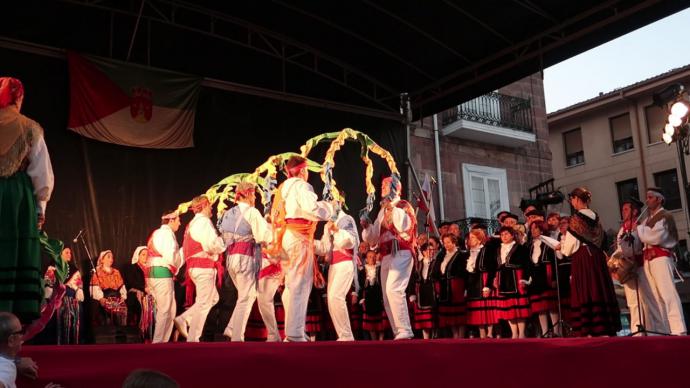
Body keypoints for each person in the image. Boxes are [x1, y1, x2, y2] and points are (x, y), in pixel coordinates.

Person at [0, 77, 54, 323]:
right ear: (18, 98)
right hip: (16, 199)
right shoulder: (29, 127)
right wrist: (39, 209)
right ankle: (11, 318)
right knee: (14, 248)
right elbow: (41, 174)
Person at [267, 155, 334, 342]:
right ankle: (295, 333)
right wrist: (329, 207)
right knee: (299, 284)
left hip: (287, 236)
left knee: (291, 284)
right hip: (299, 237)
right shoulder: (301, 185)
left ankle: (294, 329)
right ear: (303, 170)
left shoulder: (283, 188)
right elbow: (311, 208)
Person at [559, 187, 620, 337]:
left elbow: (569, 248)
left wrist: (562, 246)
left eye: (572, 199)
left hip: (583, 258)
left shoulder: (575, 219)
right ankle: (604, 326)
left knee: (586, 290)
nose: (572, 203)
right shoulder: (596, 217)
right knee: (599, 288)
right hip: (597, 257)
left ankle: (590, 328)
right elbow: (602, 239)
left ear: (578, 199)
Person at [362, 177, 416, 340]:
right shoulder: (381, 211)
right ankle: (398, 331)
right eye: (382, 185)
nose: (382, 188)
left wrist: (391, 207)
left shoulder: (403, 205)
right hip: (385, 255)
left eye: (386, 185)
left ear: (395, 188)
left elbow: (403, 226)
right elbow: (372, 240)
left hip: (401, 251)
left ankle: (405, 330)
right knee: (386, 295)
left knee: (394, 289)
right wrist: (367, 227)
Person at [219, 182, 272, 341]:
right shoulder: (252, 212)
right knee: (246, 297)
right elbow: (263, 237)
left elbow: (223, 237)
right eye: (254, 194)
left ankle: (231, 328)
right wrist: (270, 227)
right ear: (248, 194)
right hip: (245, 257)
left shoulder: (228, 214)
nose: (255, 197)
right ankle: (237, 337)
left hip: (231, 258)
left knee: (246, 295)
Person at [174, 195, 226, 342]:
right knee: (204, 302)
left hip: (196, 267)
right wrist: (223, 242)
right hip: (203, 266)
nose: (212, 208)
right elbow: (211, 245)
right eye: (210, 205)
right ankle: (192, 337)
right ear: (203, 206)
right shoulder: (203, 222)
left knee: (213, 298)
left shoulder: (192, 224)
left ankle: (185, 318)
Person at [636, 187, 687, 335]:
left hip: (661, 258)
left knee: (667, 293)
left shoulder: (666, 216)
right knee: (654, 297)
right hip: (648, 261)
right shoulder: (645, 220)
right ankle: (660, 331)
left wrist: (638, 229)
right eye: (647, 197)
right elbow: (642, 239)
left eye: (651, 197)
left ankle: (678, 329)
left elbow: (655, 237)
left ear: (659, 199)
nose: (648, 200)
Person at [612, 199, 665, 335]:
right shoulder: (623, 229)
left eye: (626, 209)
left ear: (635, 211)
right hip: (628, 268)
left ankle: (654, 331)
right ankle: (637, 331)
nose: (623, 212)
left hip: (641, 267)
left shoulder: (641, 225)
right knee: (633, 302)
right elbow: (620, 247)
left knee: (648, 299)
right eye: (622, 210)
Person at [315, 203, 359, 341]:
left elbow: (350, 241)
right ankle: (343, 335)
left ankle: (347, 335)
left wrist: (337, 230)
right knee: (332, 300)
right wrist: (308, 242)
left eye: (332, 203)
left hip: (345, 262)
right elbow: (324, 248)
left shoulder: (346, 219)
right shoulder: (328, 224)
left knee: (336, 297)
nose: (329, 206)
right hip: (334, 265)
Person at [147, 210, 183, 343]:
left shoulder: (157, 232)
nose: (180, 222)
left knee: (170, 309)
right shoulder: (167, 234)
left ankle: (163, 342)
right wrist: (182, 256)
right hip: (161, 274)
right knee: (165, 310)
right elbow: (171, 256)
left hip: (155, 275)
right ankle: (157, 343)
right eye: (178, 219)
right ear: (171, 220)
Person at [489, 226, 530, 338]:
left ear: (512, 235)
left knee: (518, 307)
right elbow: (494, 266)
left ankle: (521, 333)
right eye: (502, 235)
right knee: (508, 308)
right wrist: (494, 278)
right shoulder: (497, 250)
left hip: (516, 277)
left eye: (507, 234)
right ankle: (514, 333)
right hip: (502, 279)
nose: (504, 236)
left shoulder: (521, 248)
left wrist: (525, 279)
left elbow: (527, 265)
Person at [527, 221, 559, 337]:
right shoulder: (530, 245)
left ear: (541, 230)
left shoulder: (548, 243)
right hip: (535, 277)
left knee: (551, 306)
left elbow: (554, 262)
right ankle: (544, 332)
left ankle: (556, 331)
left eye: (535, 228)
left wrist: (554, 278)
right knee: (540, 307)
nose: (533, 231)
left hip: (546, 275)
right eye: (532, 228)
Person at [434, 233, 468, 339]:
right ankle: (455, 334)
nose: (446, 245)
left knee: (458, 312)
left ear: (454, 242)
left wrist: (465, 288)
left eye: (448, 242)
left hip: (457, 284)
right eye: (444, 243)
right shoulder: (442, 255)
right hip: (445, 286)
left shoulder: (461, 254)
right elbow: (436, 271)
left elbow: (464, 272)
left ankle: (461, 335)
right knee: (449, 312)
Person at [464, 228, 496, 339]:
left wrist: (488, 285)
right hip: (473, 283)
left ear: (479, 239)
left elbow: (492, 268)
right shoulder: (468, 253)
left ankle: (490, 332)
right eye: (469, 237)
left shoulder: (486, 250)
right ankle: (481, 332)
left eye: (473, 238)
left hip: (484, 279)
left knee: (487, 307)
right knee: (477, 309)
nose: (470, 240)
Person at [123, 246, 154, 341]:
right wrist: (144, 289)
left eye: (147, 255)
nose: (146, 257)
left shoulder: (152, 269)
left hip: (151, 293)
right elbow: (132, 282)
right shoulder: (132, 267)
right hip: (137, 293)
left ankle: (152, 333)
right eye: (143, 254)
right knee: (142, 303)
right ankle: (141, 332)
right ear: (138, 256)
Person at [90, 250, 128, 326]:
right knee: (104, 314)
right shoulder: (97, 272)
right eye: (108, 257)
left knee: (121, 311)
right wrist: (101, 298)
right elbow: (95, 287)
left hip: (116, 297)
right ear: (102, 259)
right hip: (105, 297)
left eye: (112, 257)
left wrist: (123, 297)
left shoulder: (116, 272)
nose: (111, 259)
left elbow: (121, 286)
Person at [409, 243, 437, 339]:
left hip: (432, 291)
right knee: (424, 320)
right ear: (424, 252)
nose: (431, 252)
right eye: (429, 250)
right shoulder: (418, 264)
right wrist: (412, 293)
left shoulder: (436, 263)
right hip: (421, 293)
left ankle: (434, 338)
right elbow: (412, 279)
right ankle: (425, 339)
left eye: (433, 250)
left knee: (432, 318)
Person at [359, 250, 386, 341]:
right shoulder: (363, 270)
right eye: (370, 257)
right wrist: (361, 297)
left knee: (380, 320)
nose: (372, 258)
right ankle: (374, 341)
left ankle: (381, 340)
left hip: (378, 295)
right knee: (371, 322)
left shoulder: (380, 269)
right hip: (368, 296)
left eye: (374, 256)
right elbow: (360, 284)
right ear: (366, 259)